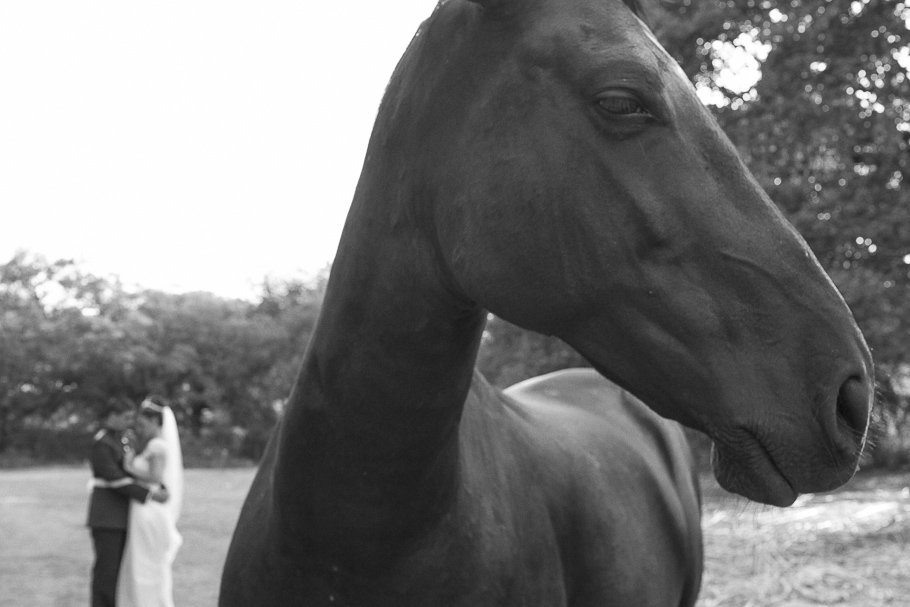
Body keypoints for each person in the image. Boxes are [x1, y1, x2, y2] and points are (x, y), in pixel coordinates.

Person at [87, 397, 169, 607]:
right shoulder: (102, 443)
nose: (130, 422)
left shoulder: (123, 439)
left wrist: (158, 488)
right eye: (125, 418)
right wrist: (149, 495)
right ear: (112, 417)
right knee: (107, 572)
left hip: (125, 515)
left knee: (123, 572)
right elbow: (115, 479)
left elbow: (139, 472)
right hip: (107, 517)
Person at [116, 397, 184, 607]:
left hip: (148, 510)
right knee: (140, 562)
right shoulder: (149, 446)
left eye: (143, 424)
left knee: (146, 564)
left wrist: (129, 468)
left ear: (155, 422)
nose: (140, 428)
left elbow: (155, 478)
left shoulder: (157, 446)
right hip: (142, 508)